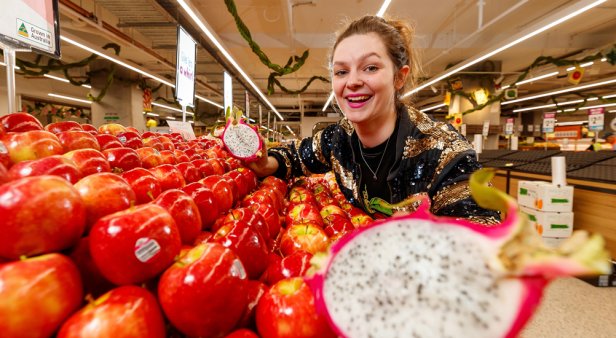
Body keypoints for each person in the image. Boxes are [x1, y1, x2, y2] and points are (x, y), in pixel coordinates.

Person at [248, 15, 499, 224]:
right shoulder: (339, 139)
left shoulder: (442, 152)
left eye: (370, 67)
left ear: (399, 78)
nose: (353, 81)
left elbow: (483, 235)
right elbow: (297, 156)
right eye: (341, 71)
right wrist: (265, 162)